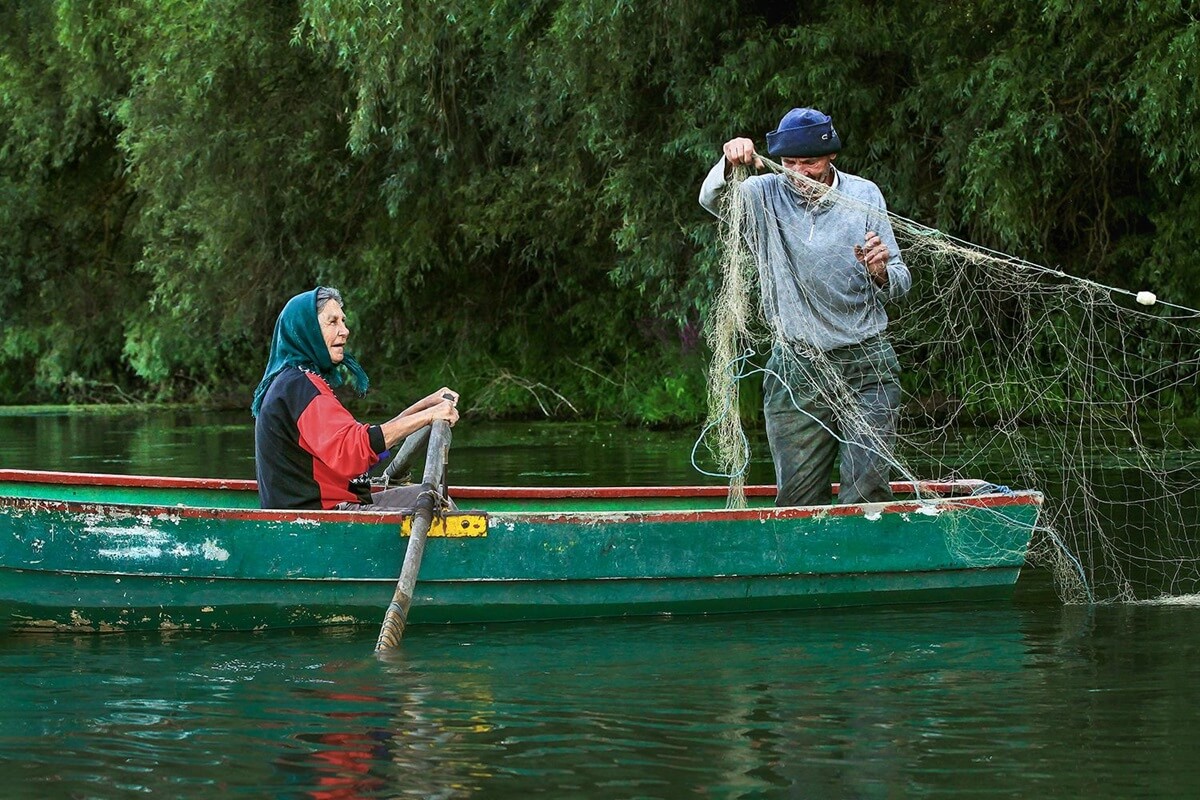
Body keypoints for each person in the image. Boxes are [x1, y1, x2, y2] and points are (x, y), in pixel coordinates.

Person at [699, 107, 911, 507]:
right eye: (790, 162)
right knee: (797, 498)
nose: (800, 173)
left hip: (868, 365)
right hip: (795, 368)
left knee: (867, 489)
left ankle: (862, 564)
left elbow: (901, 282)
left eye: (810, 163)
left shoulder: (864, 194)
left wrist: (881, 271)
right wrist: (728, 163)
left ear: (830, 157)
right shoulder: (761, 194)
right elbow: (711, 199)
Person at [251, 286, 460, 510]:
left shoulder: (292, 381)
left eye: (343, 321)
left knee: (437, 496)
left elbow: (365, 443)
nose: (345, 330)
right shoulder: (300, 386)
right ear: (307, 330)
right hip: (321, 518)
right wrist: (428, 416)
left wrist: (425, 407)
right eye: (333, 322)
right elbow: (353, 451)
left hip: (320, 511)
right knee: (438, 504)